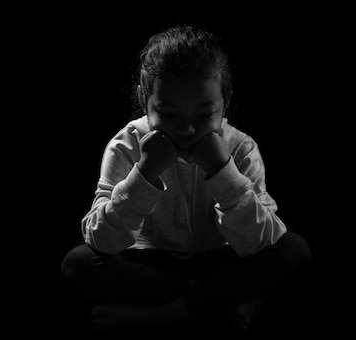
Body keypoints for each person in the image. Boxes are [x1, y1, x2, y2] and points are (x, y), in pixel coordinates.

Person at [60, 24, 312, 335]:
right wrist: (145, 172)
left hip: (223, 259)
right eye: (168, 113)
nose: (187, 130)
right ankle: (217, 302)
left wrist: (223, 172)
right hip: (152, 264)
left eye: (204, 115)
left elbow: (263, 241)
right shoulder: (126, 145)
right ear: (144, 97)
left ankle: (160, 316)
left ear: (226, 100)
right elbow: (101, 240)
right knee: (78, 264)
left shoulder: (241, 148)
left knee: (293, 250)